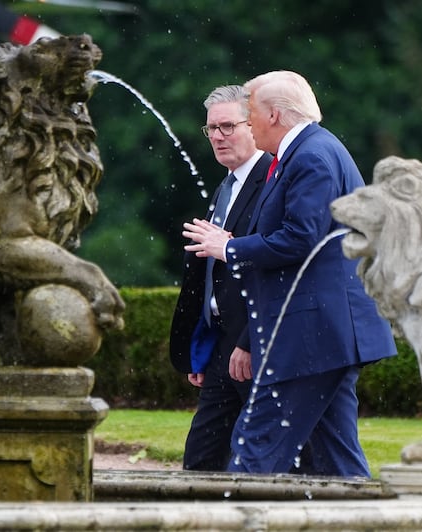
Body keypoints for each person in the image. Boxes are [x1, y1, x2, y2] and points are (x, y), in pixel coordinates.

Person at [182, 70, 396, 477]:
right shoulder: (311, 151)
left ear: (275, 115)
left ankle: (229, 520)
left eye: (249, 113)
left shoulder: (312, 156)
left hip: (312, 336)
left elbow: (300, 239)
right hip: (325, 333)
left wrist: (227, 247)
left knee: (255, 446)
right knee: (338, 461)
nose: (247, 122)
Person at [169, 85, 271, 471]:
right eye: (211, 128)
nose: (217, 136)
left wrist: (247, 341)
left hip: (254, 344)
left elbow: (274, 264)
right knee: (200, 461)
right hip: (220, 347)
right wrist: (201, 346)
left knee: (265, 461)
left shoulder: (273, 179)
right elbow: (211, 276)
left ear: (253, 126)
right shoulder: (227, 185)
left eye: (227, 126)